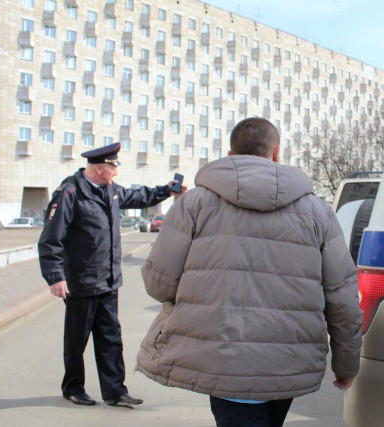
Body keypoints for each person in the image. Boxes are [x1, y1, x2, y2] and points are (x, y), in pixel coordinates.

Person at [136, 118, 362, 427]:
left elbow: (158, 284)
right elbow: (342, 297)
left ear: (230, 155)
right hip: (288, 361)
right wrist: (346, 363)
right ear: (276, 152)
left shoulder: (194, 204)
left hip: (224, 360)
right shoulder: (318, 212)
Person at [38, 142, 183, 408]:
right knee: (76, 340)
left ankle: (115, 391)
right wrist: (55, 276)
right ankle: (73, 388)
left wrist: (167, 190)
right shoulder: (70, 193)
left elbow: (140, 197)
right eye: (114, 166)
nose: (117, 172)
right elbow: (50, 239)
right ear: (99, 167)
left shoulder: (111, 191)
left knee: (110, 339)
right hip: (81, 283)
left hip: (108, 281)